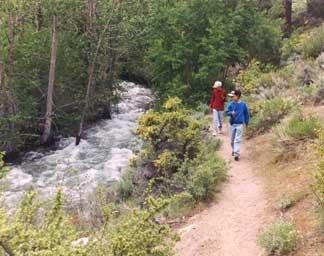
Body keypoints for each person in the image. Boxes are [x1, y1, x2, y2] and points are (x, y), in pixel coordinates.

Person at [226, 89, 250, 161]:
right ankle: (234, 150)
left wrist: (246, 122)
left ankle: (236, 153)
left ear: (238, 96)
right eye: (231, 96)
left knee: (237, 139)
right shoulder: (230, 104)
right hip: (232, 124)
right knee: (232, 140)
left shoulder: (243, 105)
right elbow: (226, 112)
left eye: (233, 96)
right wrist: (231, 113)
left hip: (239, 124)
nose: (232, 97)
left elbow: (246, 114)